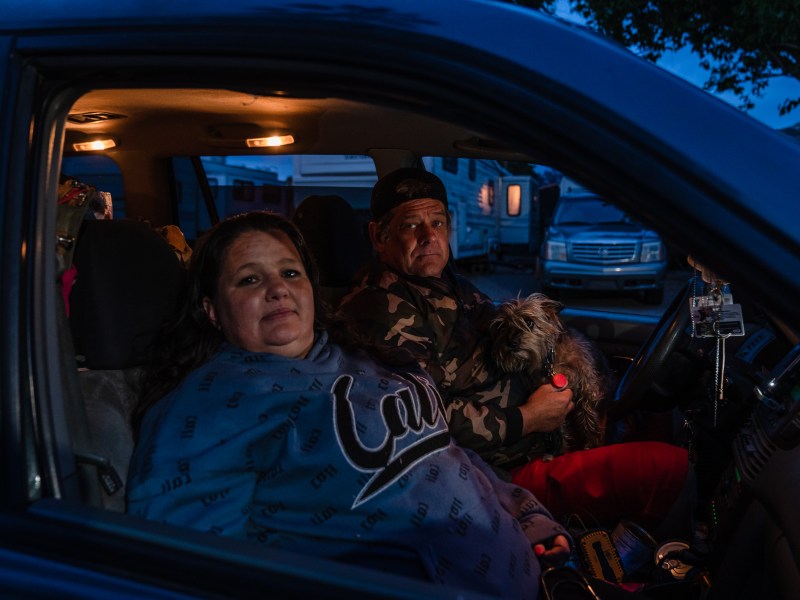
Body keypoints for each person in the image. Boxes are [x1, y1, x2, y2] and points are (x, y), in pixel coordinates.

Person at [126, 210, 572, 599]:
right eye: (249, 279)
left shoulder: (362, 356)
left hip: (539, 570)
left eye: (290, 272)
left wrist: (525, 513)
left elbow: (441, 451)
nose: (278, 289)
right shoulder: (206, 407)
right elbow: (190, 567)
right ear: (212, 311)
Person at [337, 167, 694, 541]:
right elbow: (422, 422)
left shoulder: (448, 284)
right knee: (670, 469)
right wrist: (528, 417)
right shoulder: (379, 310)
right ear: (379, 236)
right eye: (412, 226)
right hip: (499, 470)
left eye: (438, 223)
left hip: (546, 433)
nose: (429, 237)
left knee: (665, 417)